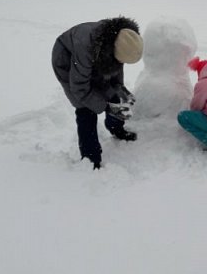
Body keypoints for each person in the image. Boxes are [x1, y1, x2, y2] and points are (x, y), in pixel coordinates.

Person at [52, 17, 143, 169]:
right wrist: (107, 107)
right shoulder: (87, 49)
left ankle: (116, 128)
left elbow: (117, 69)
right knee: (85, 109)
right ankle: (90, 157)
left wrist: (120, 89)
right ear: (113, 52)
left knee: (113, 95)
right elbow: (79, 88)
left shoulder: (121, 40)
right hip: (67, 59)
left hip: (95, 56)